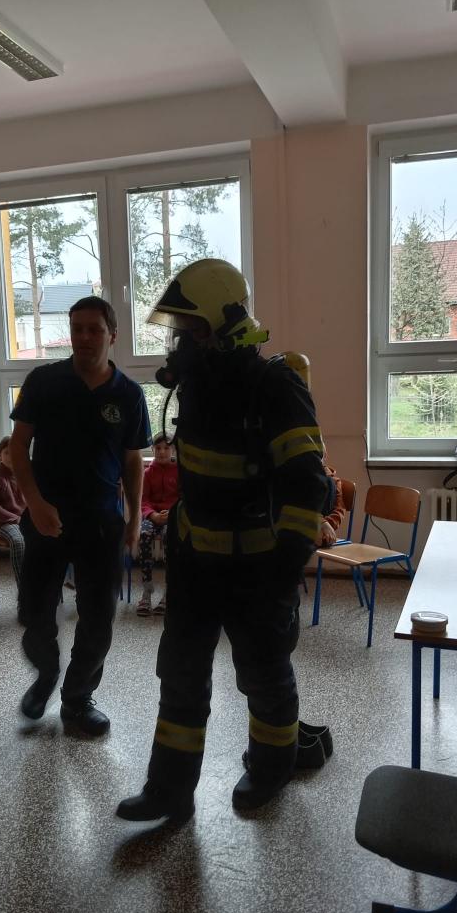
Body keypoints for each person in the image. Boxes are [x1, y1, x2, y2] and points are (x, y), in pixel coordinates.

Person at [117, 259, 331, 822]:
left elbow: (307, 487)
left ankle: (271, 768)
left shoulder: (275, 385)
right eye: (179, 328)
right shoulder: (196, 386)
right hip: (195, 567)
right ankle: (169, 789)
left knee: (264, 676)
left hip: (257, 569)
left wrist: (284, 575)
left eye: (191, 327)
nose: (181, 340)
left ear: (224, 324)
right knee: (180, 675)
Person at [10, 296, 151, 735]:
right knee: (35, 612)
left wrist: (133, 521)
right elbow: (18, 447)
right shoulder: (43, 381)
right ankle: (47, 672)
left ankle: (77, 700)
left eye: (94, 329)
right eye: (77, 329)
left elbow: (132, 461)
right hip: (46, 516)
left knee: (97, 618)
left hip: (101, 522)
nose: (84, 337)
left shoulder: (128, 394)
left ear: (113, 335)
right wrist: (35, 503)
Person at [137, 434, 180, 617]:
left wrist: (171, 513)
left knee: (170, 537)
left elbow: (183, 499)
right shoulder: (148, 473)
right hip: (153, 516)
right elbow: (143, 500)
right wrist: (152, 515)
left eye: (166, 448)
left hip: (173, 517)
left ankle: (169, 592)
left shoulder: (179, 471)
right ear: (153, 450)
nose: (162, 452)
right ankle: (147, 591)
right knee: (144, 536)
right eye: (158, 448)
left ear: (173, 450)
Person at [0, 435, 27, 582]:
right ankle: (23, 588)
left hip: (26, 520)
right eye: (7, 452)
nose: (11, 456)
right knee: (18, 541)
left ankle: (42, 586)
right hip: (6, 523)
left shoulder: (25, 476)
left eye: (14, 452)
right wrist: (17, 519)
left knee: (47, 537)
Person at [317, 463, 346, 547]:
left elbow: (339, 510)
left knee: (330, 482)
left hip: (320, 532)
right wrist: (321, 522)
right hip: (302, 525)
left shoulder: (333, 481)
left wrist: (325, 527)